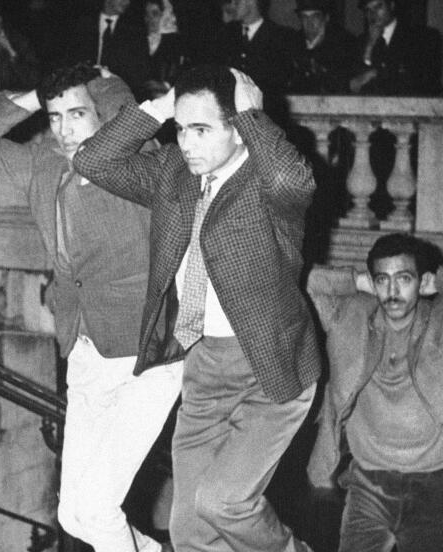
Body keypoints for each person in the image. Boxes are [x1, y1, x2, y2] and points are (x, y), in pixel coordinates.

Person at [74, 64, 320, 552]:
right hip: (203, 369)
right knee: (188, 532)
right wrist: (162, 108)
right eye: (182, 130)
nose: (187, 143)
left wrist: (254, 114)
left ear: (237, 126)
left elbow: (296, 181)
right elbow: (93, 161)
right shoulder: (173, 172)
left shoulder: (267, 183)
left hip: (269, 370)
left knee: (223, 502)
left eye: (202, 129)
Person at [0, 63, 183, 552]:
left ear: (106, 114)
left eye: (77, 113)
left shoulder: (141, 163)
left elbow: (127, 122)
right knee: (73, 514)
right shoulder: (44, 166)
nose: (64, 128)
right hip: (84, 351)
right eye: (56, 117)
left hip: (144, 357)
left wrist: (106, 88)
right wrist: (39, 95)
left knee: (98, 510)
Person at [305, 233, 443, 552]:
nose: (392, 291)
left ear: (421, 281)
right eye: (383, 280)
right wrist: (359, 280)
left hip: (435, 487)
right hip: (369, 486)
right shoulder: (348, 317)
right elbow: (314, 281)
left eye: (404, 279)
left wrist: (441, 281)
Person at [348, 0, 442, 95]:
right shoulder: (360, 41)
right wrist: (370, 46)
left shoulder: (419, 37)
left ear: (391, 5)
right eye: (368, 10)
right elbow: (353, 84)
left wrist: (375, 74)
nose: (373, 14)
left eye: (378, 7)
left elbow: (419, 80)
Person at [62, 0, 150, 93]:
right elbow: (70, 60)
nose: (127, 2)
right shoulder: (83, 24)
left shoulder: (135, 31)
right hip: (82, 88)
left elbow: (139, 73)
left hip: (118, 93)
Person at [212, 0, 295, 98]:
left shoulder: (280, 37)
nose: (232, 5)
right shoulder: (224, 35)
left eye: (236, 0)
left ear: (252, 0)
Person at [288, 0, 356, 94]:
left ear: (326, 18)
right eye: (304, 17)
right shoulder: (292, 43)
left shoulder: (344, 43)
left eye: (315, 16)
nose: (309, 22)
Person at [142, 0, 189, 100]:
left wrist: (165, 85)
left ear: (164, 15)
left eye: (155, 14)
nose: (149, 19)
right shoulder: (137, 40)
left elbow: (179, 72)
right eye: (146, 14)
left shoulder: (175, 43)